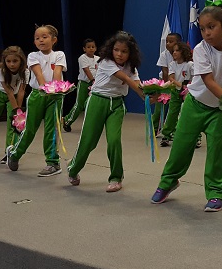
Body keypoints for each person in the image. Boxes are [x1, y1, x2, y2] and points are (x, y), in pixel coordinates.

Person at [150, 0, 222, 212]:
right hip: (195, 104)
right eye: (203, 28)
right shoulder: (200, 49)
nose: (206, 33)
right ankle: (168, 182)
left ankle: (216, 192)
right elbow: (208, 81)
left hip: (218, 111)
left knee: (216, 150)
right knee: (181, 146)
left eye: (211, 27)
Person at [66, 31, 147, 192]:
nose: (119, 54)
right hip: (97, 101)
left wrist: (148, 97)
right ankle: (73, 168)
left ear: (130, 52)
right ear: (111, 49)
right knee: (89, 141)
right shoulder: (106, 62)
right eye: (117, 50)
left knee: (114, 140)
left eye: (124, 51)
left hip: (117, 105)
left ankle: (116, 177)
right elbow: (127, 80)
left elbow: (138, 84)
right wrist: (142, 91)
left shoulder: (131, 66)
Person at [6, 25, 67, 176]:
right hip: (38, 95)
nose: (41, 40)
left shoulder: (59, 54)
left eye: (44, 37)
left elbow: (57, 72)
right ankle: (14, 153)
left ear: (54, 40)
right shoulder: (33, 56)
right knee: (30, 128)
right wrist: (45, 89)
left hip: (55, 96)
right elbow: (39, 74)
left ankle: (53, 162)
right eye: (37, 38)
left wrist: (56, 89)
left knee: (52, 129)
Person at [160, 42, 199, 148]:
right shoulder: (172, 64)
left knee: (190, 114)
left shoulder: (190, 65)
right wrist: (181, 86)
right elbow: (171, 78)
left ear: (183, 51)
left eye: (177, 50)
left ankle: (196, 137)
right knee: (172, 113)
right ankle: (167, 135)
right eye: (173, 51)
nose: (174, 53)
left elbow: (194, 78)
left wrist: (188, 88)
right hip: (176, 91)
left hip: (189, 93)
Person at [62, 38, 98, 132]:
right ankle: (67, 120)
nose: (91, 49)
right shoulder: (82, 58)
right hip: (84, 83)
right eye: (88, 47)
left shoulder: (98, 59)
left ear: (96, 48)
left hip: (95, 85)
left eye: (93, 47)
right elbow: (86, 70)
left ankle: (91, 125)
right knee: (79, 105)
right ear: (84, 49)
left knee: (92, 105)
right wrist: (93, 80)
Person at [152, 33, 182, 135]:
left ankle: (172, 131)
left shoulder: (182, 55)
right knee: (160, 106)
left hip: (178, 83)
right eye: (167, 41)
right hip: (165, 82)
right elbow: (165, 72)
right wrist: (165, 89)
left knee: (174, 110)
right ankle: (154, 129)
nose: (168, 44)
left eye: (171, 41)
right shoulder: (164, 54)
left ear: (178, 43)